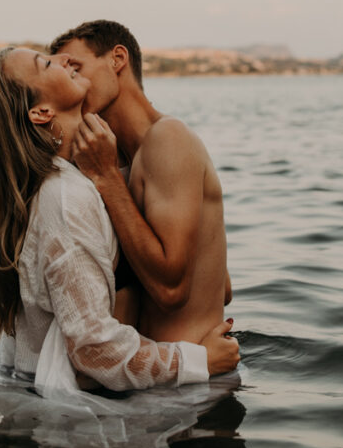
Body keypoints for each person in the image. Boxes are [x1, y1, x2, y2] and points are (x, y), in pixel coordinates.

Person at [0, 46, 240, 392]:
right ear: (41, 112)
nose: (63, 60)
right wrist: (198, 360)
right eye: (47, 63)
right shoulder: (65, 198)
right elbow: (94, 350)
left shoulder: (74, 183)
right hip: (70, 419)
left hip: (47, 398)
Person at [49, 21, 232, 346]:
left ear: (117, 59)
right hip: (147, 378)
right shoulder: (123, 161)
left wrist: (106, 177)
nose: (70, 83)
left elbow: (171, 291)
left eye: (76, 68)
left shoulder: (168, 138)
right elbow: (222, 287)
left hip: (188, 386)